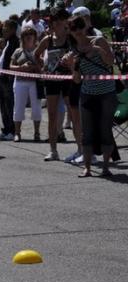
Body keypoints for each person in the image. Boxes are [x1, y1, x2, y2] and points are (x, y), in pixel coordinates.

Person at [69, 14, 117, 177]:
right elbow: (77, 80)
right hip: (87, 93)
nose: (77, 31)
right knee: (87, 132)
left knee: (105, 130)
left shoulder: (98, 41)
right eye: (73, 28)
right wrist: (72, 66)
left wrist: (98, 50)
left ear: (85, 27)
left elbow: (110, 62)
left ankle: (105, 167)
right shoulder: (74, 49)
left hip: (107, 93)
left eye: (79, 26)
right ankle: (87, 168)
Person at [35, 7, 81, 163]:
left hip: (68, 80)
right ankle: (53, 150)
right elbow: (36, 54)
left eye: (62, 21)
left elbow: (79, 52)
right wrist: (42, 67)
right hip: (52, 80)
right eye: (58, 21)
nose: (60, 24)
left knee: (74, 114)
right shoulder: (48, 39)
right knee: (52, 115)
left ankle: (81, 150)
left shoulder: (70, 38)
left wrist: (73, 64)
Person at [9, 26, 42, 143]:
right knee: (18, 107)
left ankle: (37, 133)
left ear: (35, 37)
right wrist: (21, 67)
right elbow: (10, 66)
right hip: (20, 81)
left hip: (35, 82)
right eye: (26, 35)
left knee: (36, 108)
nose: (28, 37)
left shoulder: (39, 50)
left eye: (31, 34)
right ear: (22, 37)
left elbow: (42, 66)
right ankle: (17, 133)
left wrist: (34, 67)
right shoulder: (18, 51)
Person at [0, 19, 20, 141]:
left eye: (6, 28)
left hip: (9, 78)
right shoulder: (7, 42)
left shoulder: (16, 42)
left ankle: (11, 130)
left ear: (13, 30)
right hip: (2, 77)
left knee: (10, 105)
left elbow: (13, 60)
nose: (3, 30)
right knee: (3, 105)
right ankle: (6, 130)